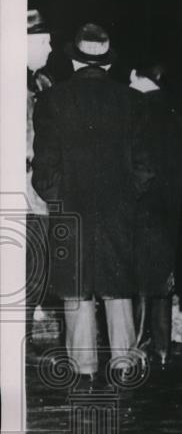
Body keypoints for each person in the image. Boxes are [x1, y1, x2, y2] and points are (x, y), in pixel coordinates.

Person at [32, 22, 153, 380]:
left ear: (72, 62)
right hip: (118, 214)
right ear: (108, 64)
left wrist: (61, 201)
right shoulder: (132, 101)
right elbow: (146, 168)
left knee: (77, 294)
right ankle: (124, 368)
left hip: (71, 212)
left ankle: (83, 373)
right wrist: (125, 199)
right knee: (118, 294)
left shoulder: (52, 100)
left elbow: (43, 169)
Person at [129, 62, 182, 366]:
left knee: (138, 282)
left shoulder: (134, 114)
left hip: (141, 211)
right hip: (170, 212)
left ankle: (137, 348)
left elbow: (138, 166)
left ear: (133, 76)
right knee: (162, 284)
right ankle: (163, 350)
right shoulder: (176, 117)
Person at [25, 10, 54, 336]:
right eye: (44, 40)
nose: (49, 47)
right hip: (19, 191)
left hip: (39, 191)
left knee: (35, 268)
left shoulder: (43, 82)